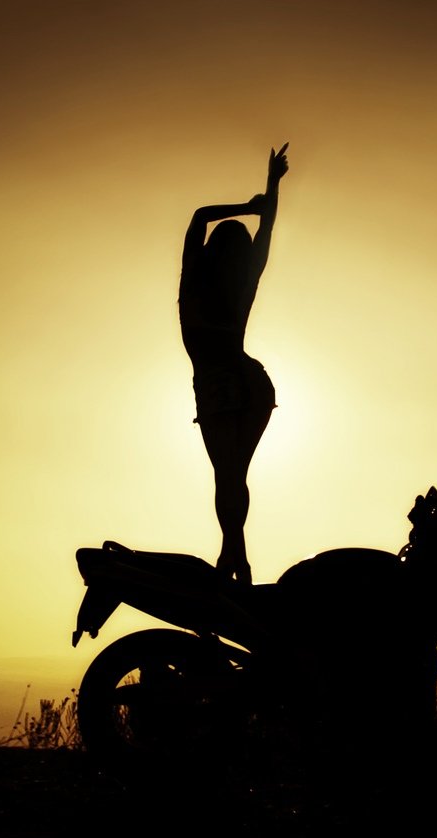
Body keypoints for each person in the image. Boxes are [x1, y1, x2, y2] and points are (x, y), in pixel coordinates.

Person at [179, 144, 289, 584]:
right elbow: (268, 227)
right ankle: (235, 556)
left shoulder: (194, 284)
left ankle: (234, 557)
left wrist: (248, 204)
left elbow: (198, 217)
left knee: (227, 474)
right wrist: (272, 186)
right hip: (253, 382)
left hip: (218, 386)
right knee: (234, 474)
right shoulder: (243, 282)